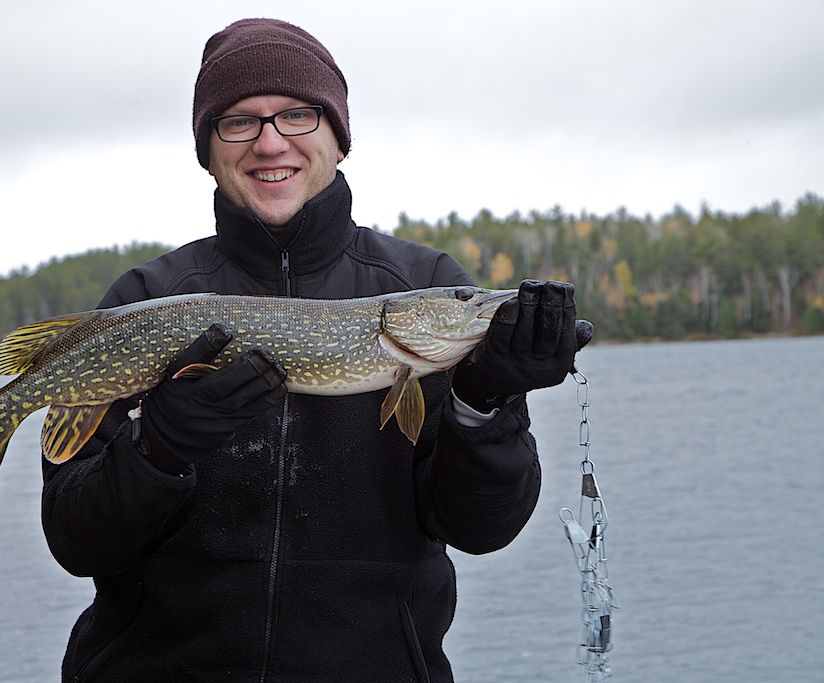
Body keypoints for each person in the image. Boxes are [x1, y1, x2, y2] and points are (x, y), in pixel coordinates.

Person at [41, 18, 589, 683]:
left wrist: (485, 401)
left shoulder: (420, 289)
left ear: (337, 135)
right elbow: (76, 539)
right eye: (237, 122)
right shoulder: (149, 297)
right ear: (209, 151)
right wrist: (157, 450)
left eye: (296, 115)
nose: (270, 142)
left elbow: (480, 527)